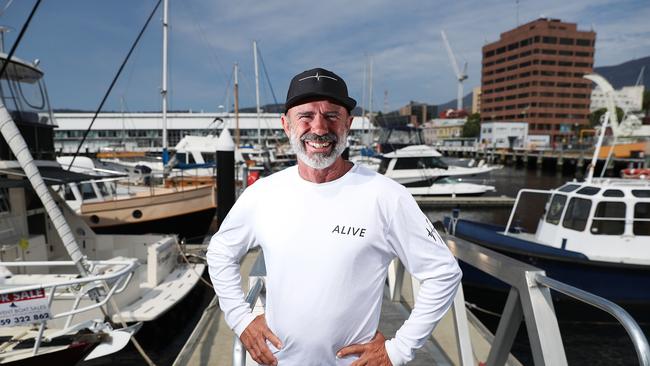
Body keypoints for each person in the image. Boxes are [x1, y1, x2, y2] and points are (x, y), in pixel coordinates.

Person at [207, 67, 462, 365]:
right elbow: (220, 251)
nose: (318, 128)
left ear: (348, 124)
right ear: (286, 124)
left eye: (331, 116)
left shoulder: (385, 195)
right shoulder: (263, 193)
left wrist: (398, 349)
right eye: (305, 116)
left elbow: (443, 273)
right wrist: (240, 318)